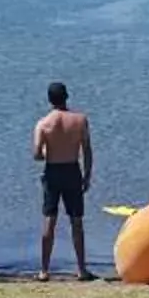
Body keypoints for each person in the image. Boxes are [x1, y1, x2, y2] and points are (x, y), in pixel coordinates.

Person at [33, 81, 94, 280]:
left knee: (49, 220)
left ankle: (44, 270)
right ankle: (81, 269)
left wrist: (46, 150)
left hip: (52, 171)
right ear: (66, 97)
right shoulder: (80, 120)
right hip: (72, 170)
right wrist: (87, 175)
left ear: (49, 100)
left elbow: (37, 154)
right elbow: (86, 149)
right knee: (76, 221)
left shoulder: (43, 124)